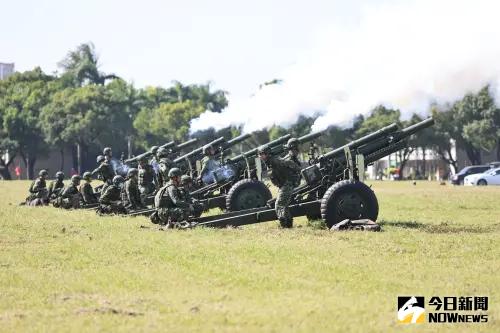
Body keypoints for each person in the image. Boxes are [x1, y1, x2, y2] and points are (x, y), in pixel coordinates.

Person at [258, 145, 301, 228]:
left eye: (261, 154)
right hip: (283, 185)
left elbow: (289, 163)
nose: (260, 156)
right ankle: (288, 225)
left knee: (279, 204)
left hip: (287, 184)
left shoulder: (275, 160)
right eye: (259, 154)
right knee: (284, 204)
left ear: (267, 154)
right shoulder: (269, 162)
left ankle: (284, 225)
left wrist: (297, 172)